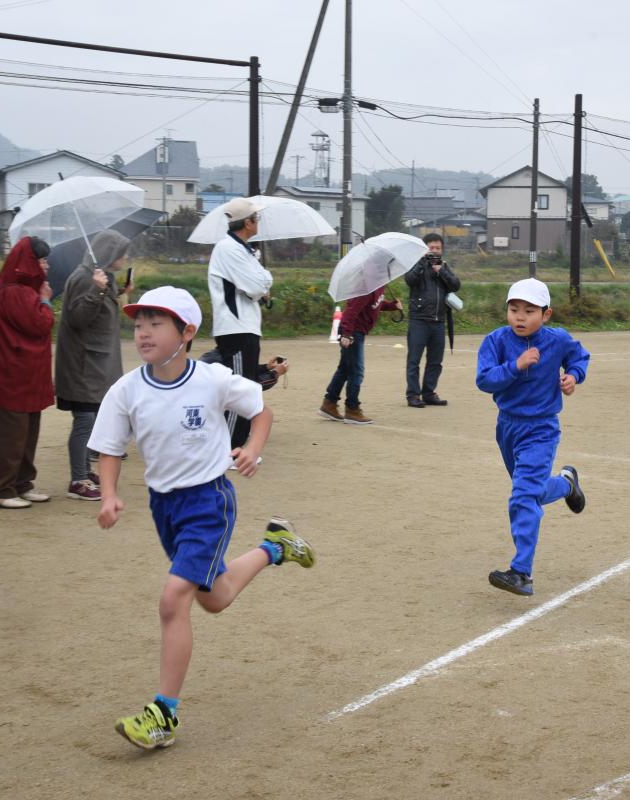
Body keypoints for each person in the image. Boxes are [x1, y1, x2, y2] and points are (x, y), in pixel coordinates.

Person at [88, 286, 314, 750]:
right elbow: (109, 449)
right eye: (138, 323)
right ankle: (276, 546)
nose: (144, 332)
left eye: (156, 323)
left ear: (186, 332)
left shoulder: (211, 379)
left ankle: (163, 715)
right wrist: (108, 494)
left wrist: (251, 448)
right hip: (163, 507)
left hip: (209, 501)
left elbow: (261, 411)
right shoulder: (126, 389)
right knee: (215, 598)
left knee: (175, 599)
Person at [476, 278, 589, 597]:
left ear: (546, 314)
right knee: (532, 492)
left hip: (541, 429)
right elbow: (485, 380)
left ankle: (521, 572)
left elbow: (580, 357)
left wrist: (573, 377)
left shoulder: (558, 340)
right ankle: (567, 484)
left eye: (529, 310)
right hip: (508, 428)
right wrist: (516, 365)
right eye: (514, 309)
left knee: (523, 497)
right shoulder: (495, 341)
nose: (520, 317)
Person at [0, 237, 56, 508]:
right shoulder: (15, 292)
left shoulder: (20, 290)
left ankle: (21, 484)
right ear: (28, 263)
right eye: (41, 260)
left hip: (23, 377)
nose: (46, 266)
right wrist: (46, 301)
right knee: (11, 435)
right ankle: (1, 489)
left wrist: (41, 298)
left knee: (26, 432)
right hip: (8, 378)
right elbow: (40, 323)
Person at [55, 230, 132, 500]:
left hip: (96, 362)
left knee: (94, 418)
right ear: (108, 253)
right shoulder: (85, 278)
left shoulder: (102, 277)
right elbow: (77, 318)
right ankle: (78, 480)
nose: (125, 257)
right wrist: (98, 292)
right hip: (83, 363)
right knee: (85, 420)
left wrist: (117, 292)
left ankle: (84, 471)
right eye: (121, 252)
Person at [204, 197, 273, 450]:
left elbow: (263, 280)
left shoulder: (243, 249)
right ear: (247, 222)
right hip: (235, 327)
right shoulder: (229, 249)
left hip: (245, 326)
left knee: (247, 385)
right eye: (257, 218)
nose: (259, 222)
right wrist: (261, 286)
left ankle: (236, 445)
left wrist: (261, 282)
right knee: (240, 388)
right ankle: (230, 448)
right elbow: (257, 285)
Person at [318, 288, 401, 424]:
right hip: (353, 332)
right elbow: (351, 311)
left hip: (357, 331)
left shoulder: (378, 285)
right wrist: (346, 334)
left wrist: (391, 306)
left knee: (345, 369)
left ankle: (329, 404)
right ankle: (352, 409)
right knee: (357, 371)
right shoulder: (365, 288)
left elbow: (374, 305)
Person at [404, 232, 460, 407]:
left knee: (435, 361)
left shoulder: (443, 266)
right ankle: (413, 395)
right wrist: (422, 262)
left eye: (438, 248)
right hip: (419, 319)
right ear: (424, 248)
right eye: (431, 248)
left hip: (439, 321)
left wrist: (441, 271)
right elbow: (409, 280)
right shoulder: (416, 265)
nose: (434, 251)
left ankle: (429, 392)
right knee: (414, 359)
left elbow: (456, 285)